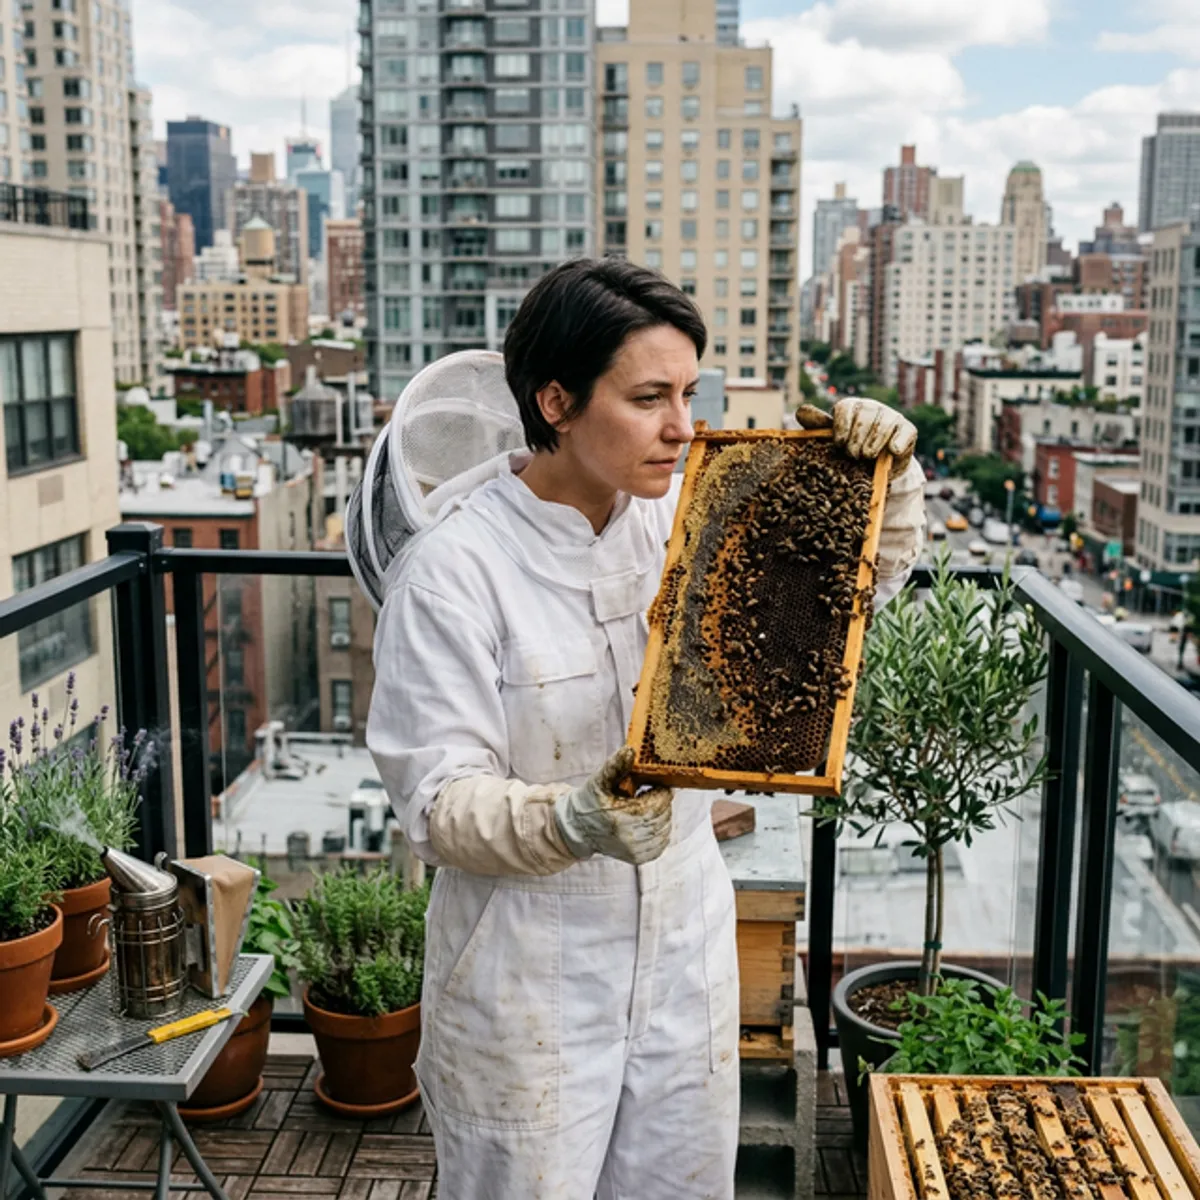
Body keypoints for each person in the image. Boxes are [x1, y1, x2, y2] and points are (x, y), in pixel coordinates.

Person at [365, 259, 925, 1199]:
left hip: (683, 950)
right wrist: (573, 819)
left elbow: (840, 601)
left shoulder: (687, 507)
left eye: (690, 393)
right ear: (556, 401)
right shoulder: (453, 573)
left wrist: (891, 480)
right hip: (530, 978)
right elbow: (436, 803)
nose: (682, 424)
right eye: (649, 397)